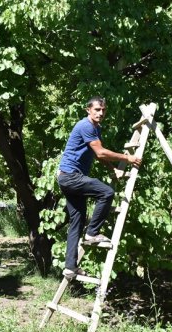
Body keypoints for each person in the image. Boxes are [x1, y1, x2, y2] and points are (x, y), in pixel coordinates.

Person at [58, 96, 141, 279]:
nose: (100, 113)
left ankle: (70, 267)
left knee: (77, 220)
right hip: (71, 177)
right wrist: (127, 158)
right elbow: (101, 151)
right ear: (88, 110)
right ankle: (93, 233)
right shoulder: (86, 126)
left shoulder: (96, 128)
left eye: (103, 110)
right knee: (107, 192)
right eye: (97, 109)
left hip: (67, 178)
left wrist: (113, 170)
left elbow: (99, 156)